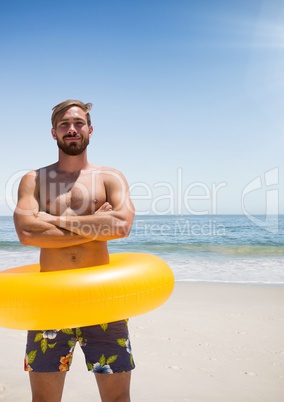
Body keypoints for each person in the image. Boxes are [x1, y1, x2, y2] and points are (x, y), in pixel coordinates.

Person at [13, 100, 135, 402]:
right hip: (50, 302)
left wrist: (55, 220)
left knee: (117, 400)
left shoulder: (110, 177)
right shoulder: (35, 180)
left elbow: (120, 226)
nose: (72, 129)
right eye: (64, 124)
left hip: (102, 299)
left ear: (90, 130)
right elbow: (27, 232)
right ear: (53, 133)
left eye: (78, 123)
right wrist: (94, 226)